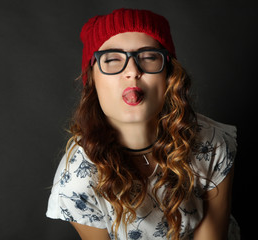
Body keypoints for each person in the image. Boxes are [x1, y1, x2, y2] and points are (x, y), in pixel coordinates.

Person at [46, 8, 240, 240]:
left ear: (169, 74)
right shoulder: (77, 179)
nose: (132, 71)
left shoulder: (211, 144)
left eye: (148, 57)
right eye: (112, 59)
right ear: (92, 79)